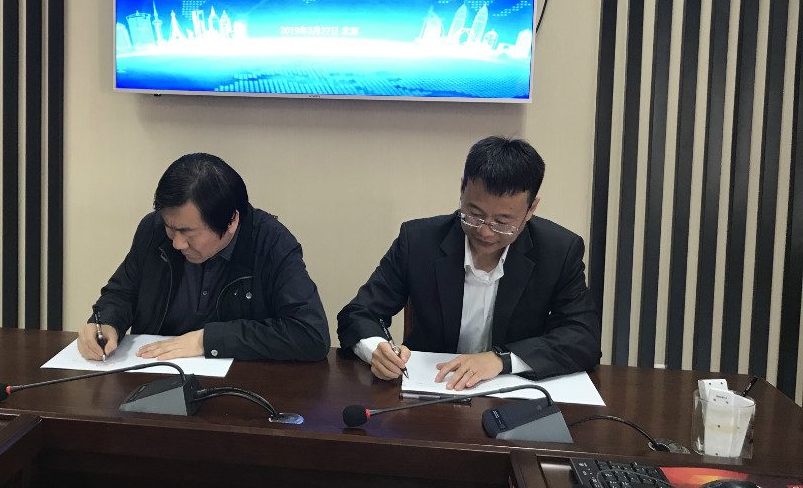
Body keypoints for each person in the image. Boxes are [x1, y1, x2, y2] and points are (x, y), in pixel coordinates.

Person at [337, 136, 601, 388]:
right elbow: (358, 313)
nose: (485, 232)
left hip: (513, 398)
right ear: (462, 189)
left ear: (531, 209)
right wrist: (376, 349)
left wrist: (501, 360)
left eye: (502, 222)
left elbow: (583, 339)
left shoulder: (558, 250)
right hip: (432, 389)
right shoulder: (418, 241)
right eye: (475, 215)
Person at [77, 152, 330, 363]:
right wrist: (106, 323)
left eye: (188, 233)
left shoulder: (271, 243)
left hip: (238, 385)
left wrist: (207, 340)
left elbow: (310, 335)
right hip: (154, 373)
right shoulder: (153, 230)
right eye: (170, 228)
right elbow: (122, 293)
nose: (176, 243)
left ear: (231, 221)